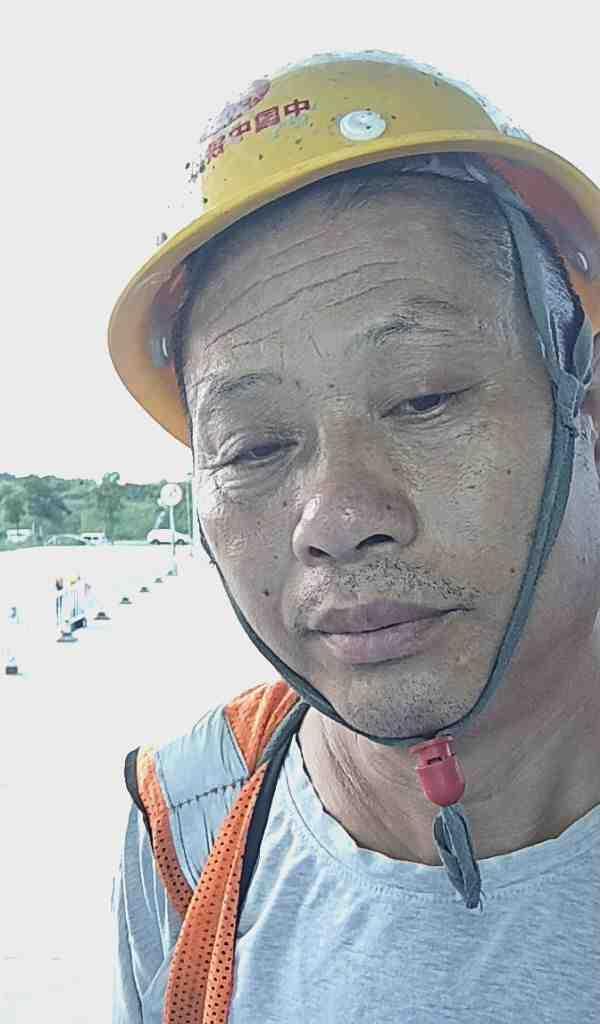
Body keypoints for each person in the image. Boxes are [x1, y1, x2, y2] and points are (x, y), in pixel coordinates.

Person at [108, 53, 600, 1022]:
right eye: (254, 446)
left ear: (584, 408)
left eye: (424, 398)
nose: (335, 519)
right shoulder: (189, 822)